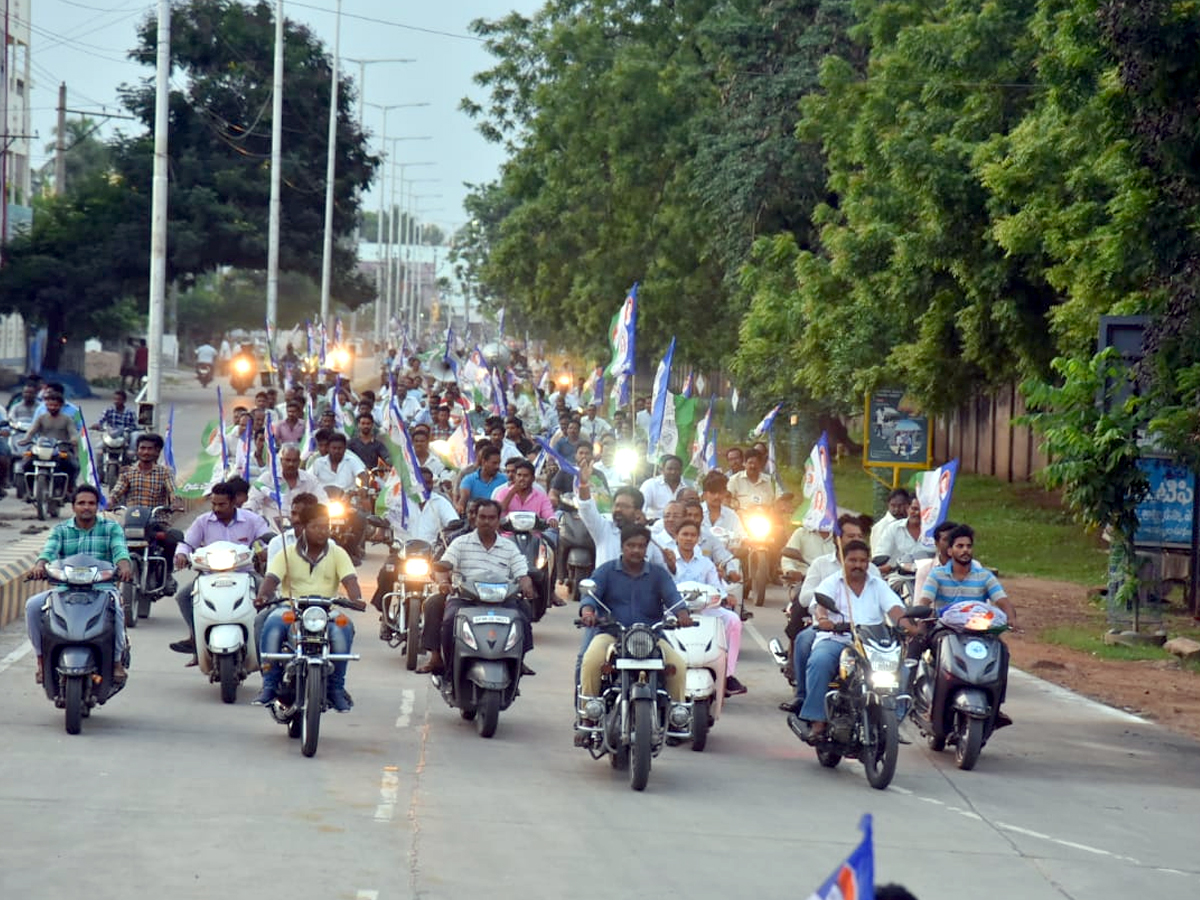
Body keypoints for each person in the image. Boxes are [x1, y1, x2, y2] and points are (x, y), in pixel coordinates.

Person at [578, 525, 692, 729]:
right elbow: (591, 595)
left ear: (647, 548)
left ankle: (676, 717)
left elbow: (673, 597)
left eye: (641, 546)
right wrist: (588, 612)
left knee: (678, 666)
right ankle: (589, 714)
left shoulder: (658, 574)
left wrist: (683, 615)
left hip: (651, 637)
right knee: (590, 661)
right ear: (622, 546)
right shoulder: (606, 570)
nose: (636, 550)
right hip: (612, 635)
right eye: (631, 545)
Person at [792, 539, 909, 740]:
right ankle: (818, 720)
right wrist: (823, 618)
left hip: (870, 644)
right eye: (852, 560)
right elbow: (820, 604)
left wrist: (908, 625)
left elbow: (894, 608)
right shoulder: (831, 582)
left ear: (868, 562)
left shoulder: (877, 584)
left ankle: (893, 720)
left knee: (902, 668)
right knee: (819, 661)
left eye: (863, 561)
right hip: (836, 639)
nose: (858, 565)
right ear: (843, 561)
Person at [253, 502, 363, 711]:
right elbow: (271, 579)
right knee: (272, 624)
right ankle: (269, 685)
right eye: (316, 527)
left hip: (326, 610)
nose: (323, 532)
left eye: (326, 526)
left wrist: (356, 598)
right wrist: (262, 596)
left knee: (344, 627)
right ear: (303, 527)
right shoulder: (286, 553)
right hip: (291, 609)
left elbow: (350, 580)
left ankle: (336, 689)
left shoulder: (338, 552)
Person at [25, 485, 134, 685]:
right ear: (73, 506)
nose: (86, 507)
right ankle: (41, 660)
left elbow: (120, 551)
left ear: (97, 506)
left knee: (117, 608)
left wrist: (125, 567)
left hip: (102, 589)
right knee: (32, 606)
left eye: (91, 503)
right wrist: (39, 566)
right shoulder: (61, 530)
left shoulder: (111, 528)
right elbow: (48, 552)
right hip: (65, 589)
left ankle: (116, 661)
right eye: (81, 503)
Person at [419, 500, 536, 677]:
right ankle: (441, 661)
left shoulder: (509, 547)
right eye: (482, 517)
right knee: (444, 615)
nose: (486, 522)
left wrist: (526, 585)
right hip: (465, 598)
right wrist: (444, 583)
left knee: (523, 613)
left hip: (501, 599)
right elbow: (444, 566)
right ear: (475, 519)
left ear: (498, 520)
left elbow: (522, 573)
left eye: (491, 518)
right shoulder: (460, 543)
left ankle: (519, 660)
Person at [778, 514, 879, 714]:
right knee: (804, 641)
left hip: (864, 632)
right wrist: (824, 608)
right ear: (837, 539)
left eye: (859, 536)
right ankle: (804, 695)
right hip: (827, 630)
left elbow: (888, 602)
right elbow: (806, 597)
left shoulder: (872, 570)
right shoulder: (821, 565)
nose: (856, 540)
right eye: (851, 536)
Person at [168, 482, 274, 663]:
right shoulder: (203, 521)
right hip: (210, 575)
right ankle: (196, 638)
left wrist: (264, 551)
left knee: (271, 598)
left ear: (234, 502)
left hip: (245, 573)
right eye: (214, 504)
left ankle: (268, 641)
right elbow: (186, 543)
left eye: (222, 504)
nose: (216, 508)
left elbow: (266, 539)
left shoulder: (252, 520)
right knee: (183, 597)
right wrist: (181, 555)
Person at [668, 520, 747, 695]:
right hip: (672, 610)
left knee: (733, 620)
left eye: (692, 535)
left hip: (704, 609)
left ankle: (727, 675)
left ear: (698, 538)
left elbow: (717, 588)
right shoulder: (668, 561)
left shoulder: (706, 563)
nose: (688, 539)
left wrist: (726, 596)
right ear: (676, 537)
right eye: (684, 535)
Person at [108, 432, 183, 572]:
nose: (145, 452)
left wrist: (176, 502)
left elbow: (173, 491)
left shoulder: (165, 472)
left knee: (171, 539)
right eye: (142, 448)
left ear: (157, 452)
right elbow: (116, 491)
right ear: (137, 450)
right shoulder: (127, 472)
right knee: (109, 539)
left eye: (150, 449)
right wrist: (110, 501)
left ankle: (166, 574)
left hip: (156, 522)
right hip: (131, 521)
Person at [245, 442, 324, 523]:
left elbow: (323, 501)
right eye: (287, 460)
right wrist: (248, 511)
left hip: (302, 528)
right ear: (281, 460)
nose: (291, 464)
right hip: (271, 530)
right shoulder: (267, 478)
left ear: (299, 461)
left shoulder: (310, 480)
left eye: (294, 461)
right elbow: (253, 501)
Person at [19, 391, 79, 491]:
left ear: (60, 405)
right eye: (49, 405)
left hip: (60, 450)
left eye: (55, 405)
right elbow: (31, 431)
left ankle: (69, 488)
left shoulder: (67, 419)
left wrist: (73, 440)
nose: (52, 407)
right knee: (26, 464)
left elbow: (73, 433)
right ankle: (28, 490)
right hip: (41, 449)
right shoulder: (41, 418)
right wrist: (26, 439)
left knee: (73, 466)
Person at [876, 495, 928, 587]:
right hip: (898, 578)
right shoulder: (893, 529)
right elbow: (881, 556)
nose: (917, 513)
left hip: (928, 579)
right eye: (914, 509)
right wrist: (892, 566)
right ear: (907, 509)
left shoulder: (934, 532)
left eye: (922, 510)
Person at [913, 520, 958, 601]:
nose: (950, 543)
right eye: (946, 539)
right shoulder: (926, 571)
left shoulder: (974, 567)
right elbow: (919, 605)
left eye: (954, 539)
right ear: (936, 543)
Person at [639, 454, 690, 520]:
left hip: (680, 525)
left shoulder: (688, 487)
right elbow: (641, 507)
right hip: (654, 525)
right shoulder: (650, 484)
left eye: (676, 469)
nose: (673, 472)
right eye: (669, 469)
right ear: (662, 470)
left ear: (681, 470)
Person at [456, 445, 506, 512]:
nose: (497, 466)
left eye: (499, 463)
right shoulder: (469, 480)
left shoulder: (505, 480)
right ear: (484, 462)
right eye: (494, 463)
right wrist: (460, 507)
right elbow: (464, 498)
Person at [871, 488, 911, 552]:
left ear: (908, 505)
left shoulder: (912, 523)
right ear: (888, 505)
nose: (896, 509)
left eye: (900, 505)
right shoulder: (881, 527)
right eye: (893, 505)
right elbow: (877, 555)